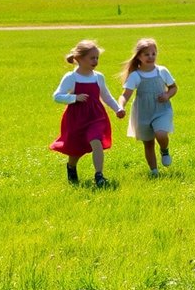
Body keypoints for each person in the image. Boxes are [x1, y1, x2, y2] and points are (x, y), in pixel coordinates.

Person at [51, 40, 125, 187]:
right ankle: (71, 167)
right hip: (76, 118)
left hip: (96, 117)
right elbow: (57, 96)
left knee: (96, 141)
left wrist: (118, 109)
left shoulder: (98, 77)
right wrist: (74, 98)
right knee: (76, 149)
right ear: (79, 58)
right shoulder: (71, 77)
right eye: (92, 58)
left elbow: (106, 96)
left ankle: (99, 175)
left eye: (97, 58)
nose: (96, 61)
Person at [118, 38, 178, 177]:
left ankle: (164, 150)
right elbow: (125, 95)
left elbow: (174, 87)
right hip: (143, 112)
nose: (151, 57)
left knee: (161, 133)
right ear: (139, 56)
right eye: (146, 54)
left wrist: (167, 95)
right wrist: (120, 106)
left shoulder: (162, 71)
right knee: (148, 144)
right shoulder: (135, 75)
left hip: (162, 109)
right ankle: (154, 171)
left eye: (153, 53)